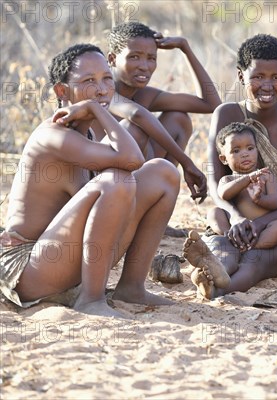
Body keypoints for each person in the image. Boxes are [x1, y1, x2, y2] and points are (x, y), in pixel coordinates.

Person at [0, 44, 181, 317]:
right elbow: (131, 160)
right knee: (117, 181)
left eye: (107, 78)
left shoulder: (88, 135)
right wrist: (99, 111)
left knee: (163, 173)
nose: (102, 89)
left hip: (64, 259)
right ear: (62, 92)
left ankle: (131, 287)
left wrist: (96, 111)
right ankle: (91, 299)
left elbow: (136, 162)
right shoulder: (53, 135)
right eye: (88, 81)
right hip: (29, 269)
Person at [183, 34, 277, 299]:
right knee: (222, 246)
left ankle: (219, 288)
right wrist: (237, 218)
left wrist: (260, 224)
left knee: (257, 258)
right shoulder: (227, 113)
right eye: (257, 77)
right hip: (234, 221)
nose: (267, 85)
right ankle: (213, 270)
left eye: (276, 77)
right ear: (241, 76)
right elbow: (216, 182)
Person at [106, 22, 222, 226]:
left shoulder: (145, 95)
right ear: (112, 58)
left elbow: (211, 104)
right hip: (102, 189)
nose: (144, 66)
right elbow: (136, 114)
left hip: (138, 181)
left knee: (179, 119)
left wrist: (185, 48)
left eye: (151, 58)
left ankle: (154, 219)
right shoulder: (103, 90)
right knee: (133, 129)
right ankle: (125, 221)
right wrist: (187, 163)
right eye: (134, 56)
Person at [213, 121, 277, 250]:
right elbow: (224, 194)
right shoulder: (228, 179)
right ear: (224, 159)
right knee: (214, 213)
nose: (245, 154)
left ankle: (252, 247)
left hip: (262, 229)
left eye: (250, 148)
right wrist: (248, 178)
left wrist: (260, 199)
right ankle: (230, 238)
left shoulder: (266, 176)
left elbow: (276, 202)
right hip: (236, 227)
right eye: (236, 150)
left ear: (257, 150)